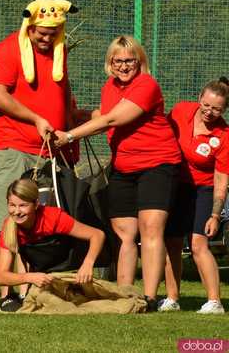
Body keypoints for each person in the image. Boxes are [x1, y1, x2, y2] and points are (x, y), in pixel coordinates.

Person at [54, 35, 181, 311]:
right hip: (123, 167)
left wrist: (69, 135)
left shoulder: (146, 85)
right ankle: (124, 295)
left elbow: (115, 119)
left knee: (150, 229)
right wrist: (81, 115)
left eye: (129, 60)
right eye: (117, 60)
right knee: (124, 234)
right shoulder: (109, 87)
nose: (123, 66)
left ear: (140, 61)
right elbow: (104, 117)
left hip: (157, 165)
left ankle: (148, 297)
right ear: (110, 63)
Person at [0, 0, 84, 312]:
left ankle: (35, 288)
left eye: (52, 32)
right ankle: (9, 294)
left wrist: (71, 138)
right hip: (15, 147)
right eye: (41, 32)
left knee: (43, 223)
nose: (45, 38)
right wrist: (36, 118)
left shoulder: (60, 53)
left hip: (51, 151)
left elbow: (63, 97)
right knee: (7, 222)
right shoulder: (8, 49)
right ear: (30, 26)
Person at [160, 79, 228, 314]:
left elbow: (221, 179)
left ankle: (214, 302)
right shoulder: (181, 111)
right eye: (206, 105)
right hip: (177, 185)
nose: (210, 112)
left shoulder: (224, 136)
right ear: (200, 98)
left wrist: (215, 215)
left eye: (217, 109)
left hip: (204, 190)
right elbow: (162, 134)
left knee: (199, 244)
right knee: (172, 242)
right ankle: (172, 298)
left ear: (224, 110)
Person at [0, 178, 105, 308]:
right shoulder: (9, 227)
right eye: (12, 205)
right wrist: (29, 277)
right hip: (43, 279)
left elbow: (97, 235)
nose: (17, 211)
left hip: (70, 274)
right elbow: (1, 277)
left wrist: (88, 264)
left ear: (36, 204)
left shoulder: (53, 217)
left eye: (23, 205)